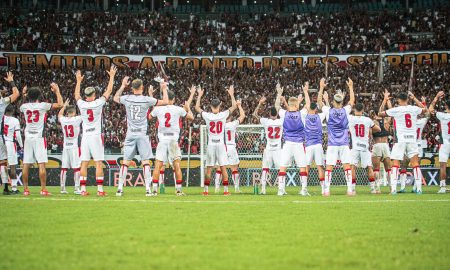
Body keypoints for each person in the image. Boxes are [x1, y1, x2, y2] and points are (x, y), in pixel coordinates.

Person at [114, 77, 168, 196]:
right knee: (145, 162)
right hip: (142, 134)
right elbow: (165, 102)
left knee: (126, 162)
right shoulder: (147, 100)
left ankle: (119, 188)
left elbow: (115, 98)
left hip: (130, 133)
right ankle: (148, 189)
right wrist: (164, 88)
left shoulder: (126, 98)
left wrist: (123, 85)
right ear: (142, 87)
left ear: (132, 88)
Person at [75, 67, 116, 196]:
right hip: (96, 135)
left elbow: (76, 95)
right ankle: (100, 190)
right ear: (94, 95)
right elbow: (109, 90)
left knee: (84, 163)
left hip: (85, 136)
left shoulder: (81, 104)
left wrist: (78, 81)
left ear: (86, 96)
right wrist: (112, 76)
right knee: (98, 162)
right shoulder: (98, 103)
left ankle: (82, 189)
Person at [378, 91, 427, 194]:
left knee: (395, 164)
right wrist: (414, 98)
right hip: (412, 140)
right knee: (415, 164)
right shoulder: (414, 109)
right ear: (407, 99)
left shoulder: (396, 110)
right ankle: (419, 189)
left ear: (399, 100)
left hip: (400, 140)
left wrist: (385, 99)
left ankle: (394, 189)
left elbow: (380, 113)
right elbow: (426, 110)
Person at [149, 85, 194, 196]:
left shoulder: (158, 109)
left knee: (158, 165)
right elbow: (191, 118)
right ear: (173, 99)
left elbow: (149, 116)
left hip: (162, 140)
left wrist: (150, 95)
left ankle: (154, 190)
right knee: (177, 165)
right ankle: (178, 190)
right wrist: (188, 107)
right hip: (173, 140)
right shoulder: (178, 109)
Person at [20, 83, 63, 196]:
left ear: (28, 96)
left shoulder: (24, 107)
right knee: (41, 164)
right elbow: (60, 104)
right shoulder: (43, 106)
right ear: (39, 96)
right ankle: (43, 189)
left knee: (26, 164)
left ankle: (25, 190)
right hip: (39, 137)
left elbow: (23, 102)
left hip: (28, 137)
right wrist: (57, 91)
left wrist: (24, 94)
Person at [195, 85, 237, 196]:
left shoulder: (208, 116)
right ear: (220, 105)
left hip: (211, 144)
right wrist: (231, 94)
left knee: (209, 168)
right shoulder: (223, 115)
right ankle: (226, 190)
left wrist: (199, 95)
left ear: (210, 106)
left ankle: (206, 190)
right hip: (221, 144)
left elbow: (197, 108)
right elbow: (234, 106)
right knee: (223, 167)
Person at [318, 78, 355, 196]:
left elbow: (319, 102)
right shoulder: (345, 111)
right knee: (347, 166)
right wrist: (350, 87)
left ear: (333, 102)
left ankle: (327, 190)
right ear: (342, 102)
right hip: (344, 143)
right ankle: (349, 190)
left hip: (332, 144)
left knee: (329, 167)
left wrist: (321, 87)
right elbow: (352, 101)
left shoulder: (329, 111)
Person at [274, 83, 308, 196]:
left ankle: (280, 190)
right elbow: (308, 105)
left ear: (288, 104)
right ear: (297, 105)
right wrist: (306, 92)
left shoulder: (284, 114)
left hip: (287, 144)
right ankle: (303, 190)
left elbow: (276, 107)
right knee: (302, 167)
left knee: (283, 166)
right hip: (298, 144)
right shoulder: (301, 114)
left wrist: (279, 94)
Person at [253, 96, 283, 195]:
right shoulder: (281, 122)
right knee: (280, 170)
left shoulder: (266, 121)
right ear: (277, 114)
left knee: (265, 169)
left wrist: (260, 103)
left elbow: (255, 114)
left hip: (269, 148)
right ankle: (281, 189)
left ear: (270, 114)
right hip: (278, 149)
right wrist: (279, 96)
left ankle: (263, 190)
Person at [348, 103, 381, 194]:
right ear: (363, 110)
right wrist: (369, 129)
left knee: (352, 167)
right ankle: (373, 189)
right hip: (364, 147)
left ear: (354, 110)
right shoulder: (367, 120)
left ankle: (353, 189)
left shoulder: (350, 118)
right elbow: (378, 129)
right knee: (369, 168)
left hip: (355, 147)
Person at [302, 80, 327, 195]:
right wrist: (321, 88)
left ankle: (304, 188)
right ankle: (323, 189)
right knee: (320, 167)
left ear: (308, 109)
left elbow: (307, 104)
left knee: (306, 167)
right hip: (318, 145)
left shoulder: (305, 117)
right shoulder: (320, 116)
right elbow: (319, 104)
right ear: (316, 109)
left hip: (308, 146)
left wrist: (305, 92)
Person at [0, 72, 20, 195]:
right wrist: (11, 81)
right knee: (4, 162)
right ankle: (8, 188)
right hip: (1, 137)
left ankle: (6, 188)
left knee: (2, 162)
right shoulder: (2, 102)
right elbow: (16, 94)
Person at [58, 100, 82, 195]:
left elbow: (59, 114)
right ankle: (76, 188)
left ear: (67, 113)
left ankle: (62, 188)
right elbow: (85, 113)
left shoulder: (63, 119)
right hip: (74, 146)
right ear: (74, 113)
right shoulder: (77, 119)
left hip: (65, 146)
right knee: (76, 168)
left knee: (64, 168)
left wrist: (64, 106)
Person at [429, 91, 449, 194]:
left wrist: (436, 97)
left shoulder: (443, 116)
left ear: (446, 106)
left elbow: (430, 109)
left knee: (442, 166)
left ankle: (442, 187)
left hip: (445, 144)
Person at [372, 92, 393, 191]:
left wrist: (385, 100)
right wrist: (387, 100)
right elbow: (392, 111)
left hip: (377, 145)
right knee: (388, 169)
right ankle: (391, 188)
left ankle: (377, 188)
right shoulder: (387, 120)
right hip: (385, 145)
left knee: (376, 168)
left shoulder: (373, 122)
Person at [224, 100, 245, 193]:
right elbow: (242, 116)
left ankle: (217, 188)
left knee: (220, 168)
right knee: (234, 168)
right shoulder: (232, 124)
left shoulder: (221, 125)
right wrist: (239, 106)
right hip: (231, 147)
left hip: (222, 147)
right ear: (230, 118)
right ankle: (236, 188)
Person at [3, 105, 22, 194]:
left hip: (1, 143)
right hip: (10, 143)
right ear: (12, 111)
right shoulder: (15, 120)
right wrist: (21, 145)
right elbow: (18, 135)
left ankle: (5, 187)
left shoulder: (1, 118)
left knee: (2, 165)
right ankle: (14, 188)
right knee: (12, 166)